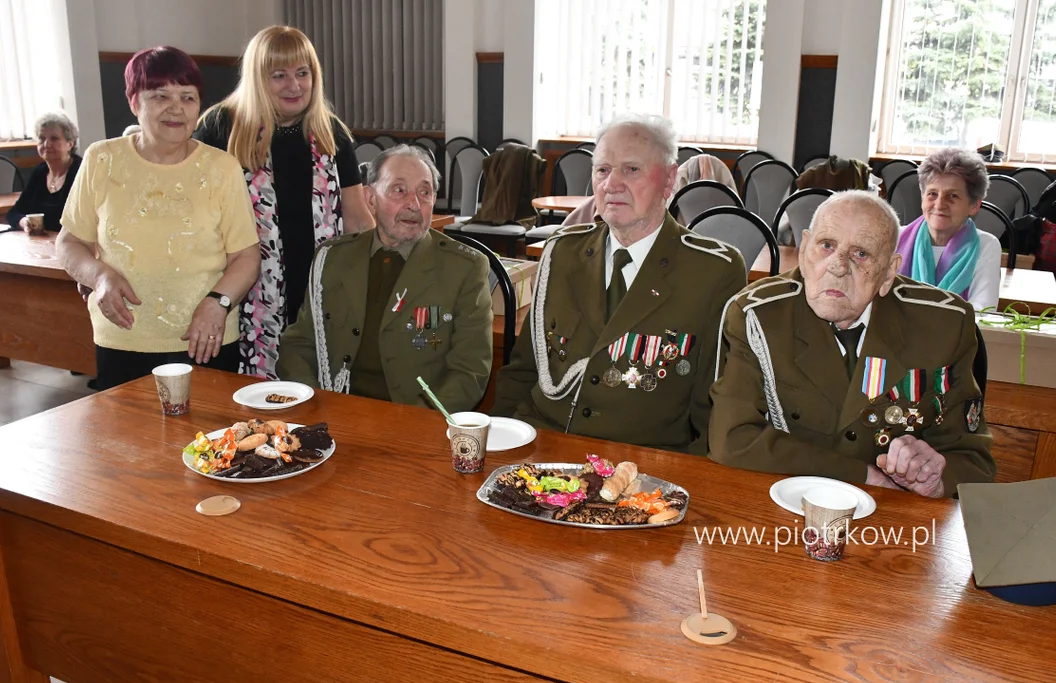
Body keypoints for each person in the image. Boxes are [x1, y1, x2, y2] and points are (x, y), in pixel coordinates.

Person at [709, 191, 995, 498]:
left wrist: (934, 478)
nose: (837, 266)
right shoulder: (760, 317)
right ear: (805, 249)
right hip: (789, 504)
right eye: (827, 246)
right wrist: (860, 474)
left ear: (888, 272)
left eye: (860, 254)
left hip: (895, 515)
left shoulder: (942, 326)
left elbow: (973, 460)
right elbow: (732, 438)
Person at [493, 114, 747, 452]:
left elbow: (711, 410)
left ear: (669, 180)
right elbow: (523, 370)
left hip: (640, 467)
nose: (612, 184)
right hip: (545, 448)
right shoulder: (562, 251)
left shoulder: (713, 270)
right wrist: (503, 445)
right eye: (602, 170)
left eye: (631, 169)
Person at [56, 47, 260, 391]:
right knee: (129, 442)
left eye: (187, 97)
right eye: (160, 95)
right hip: (123, 336)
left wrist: (218, 303)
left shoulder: (221, 167)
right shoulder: (101, 160)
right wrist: (99, 276)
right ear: (134, 101)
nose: (176, 107)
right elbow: (70, 242)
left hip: (206, 340)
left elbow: (246, 256)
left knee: (210, 441)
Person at [195, 25, 375, 378]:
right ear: (258, 78)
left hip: (319, 296)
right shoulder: (220, 128)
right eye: (279, 75)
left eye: (302, 73)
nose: (294, 86)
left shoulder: (329, 132)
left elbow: (358, 222)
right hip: (242, 304)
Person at [276, 145, 493, 411]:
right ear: (370, 199)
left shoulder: (464, 268)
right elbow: (299, 344)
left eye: (424, 192)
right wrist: (314, 405)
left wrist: (412, 425)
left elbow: (469, 371)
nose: (413, 204)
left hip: (415, 420)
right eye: (399, 190)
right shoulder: (333, 259)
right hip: (335, 411)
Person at [897, 147, 1002, 311]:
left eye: (953, 196)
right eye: (932, 194)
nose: (939, 205)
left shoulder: (986, 246)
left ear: (974, 205)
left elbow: (983, 313)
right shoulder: (894, 237)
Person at [7, 112, 82, 233]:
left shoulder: (82, 172)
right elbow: (14, 213)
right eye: (42, 139)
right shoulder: (40, 172)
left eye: (54, 138)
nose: (47, 144)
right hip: (40, 244)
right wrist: (24, 222)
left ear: (70, 144)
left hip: (72, 245)